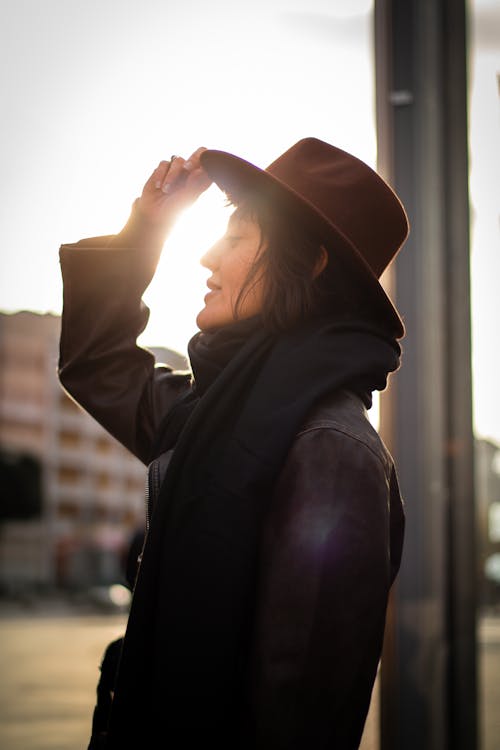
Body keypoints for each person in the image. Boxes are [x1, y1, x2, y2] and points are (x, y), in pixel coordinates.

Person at [58, 137, 409, 749]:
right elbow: (98, 363)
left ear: (312, 263)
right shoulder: (211, 410)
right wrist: (147, 230)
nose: (207, 258)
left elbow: (297, 714)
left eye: (238, 237)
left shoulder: (332, 451)